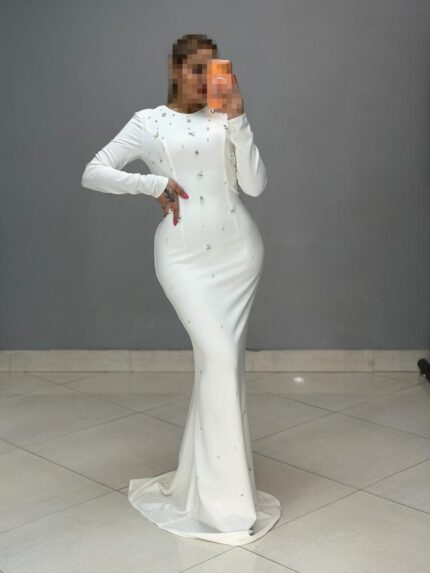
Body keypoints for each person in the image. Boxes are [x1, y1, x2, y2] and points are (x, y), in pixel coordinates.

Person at [81, 33, 281, 546]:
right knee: (218, 359)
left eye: (214, 69)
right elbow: (93, 172)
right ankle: (223, 505)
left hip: (239, 254)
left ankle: (215, 494)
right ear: (174, 69)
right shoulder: (148, 122)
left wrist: (239, 117)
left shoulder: (225, 118)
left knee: (222, 367)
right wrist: (150, 184)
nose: (205, 78)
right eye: (195, 68)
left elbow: (255, 185)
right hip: (184, 258)